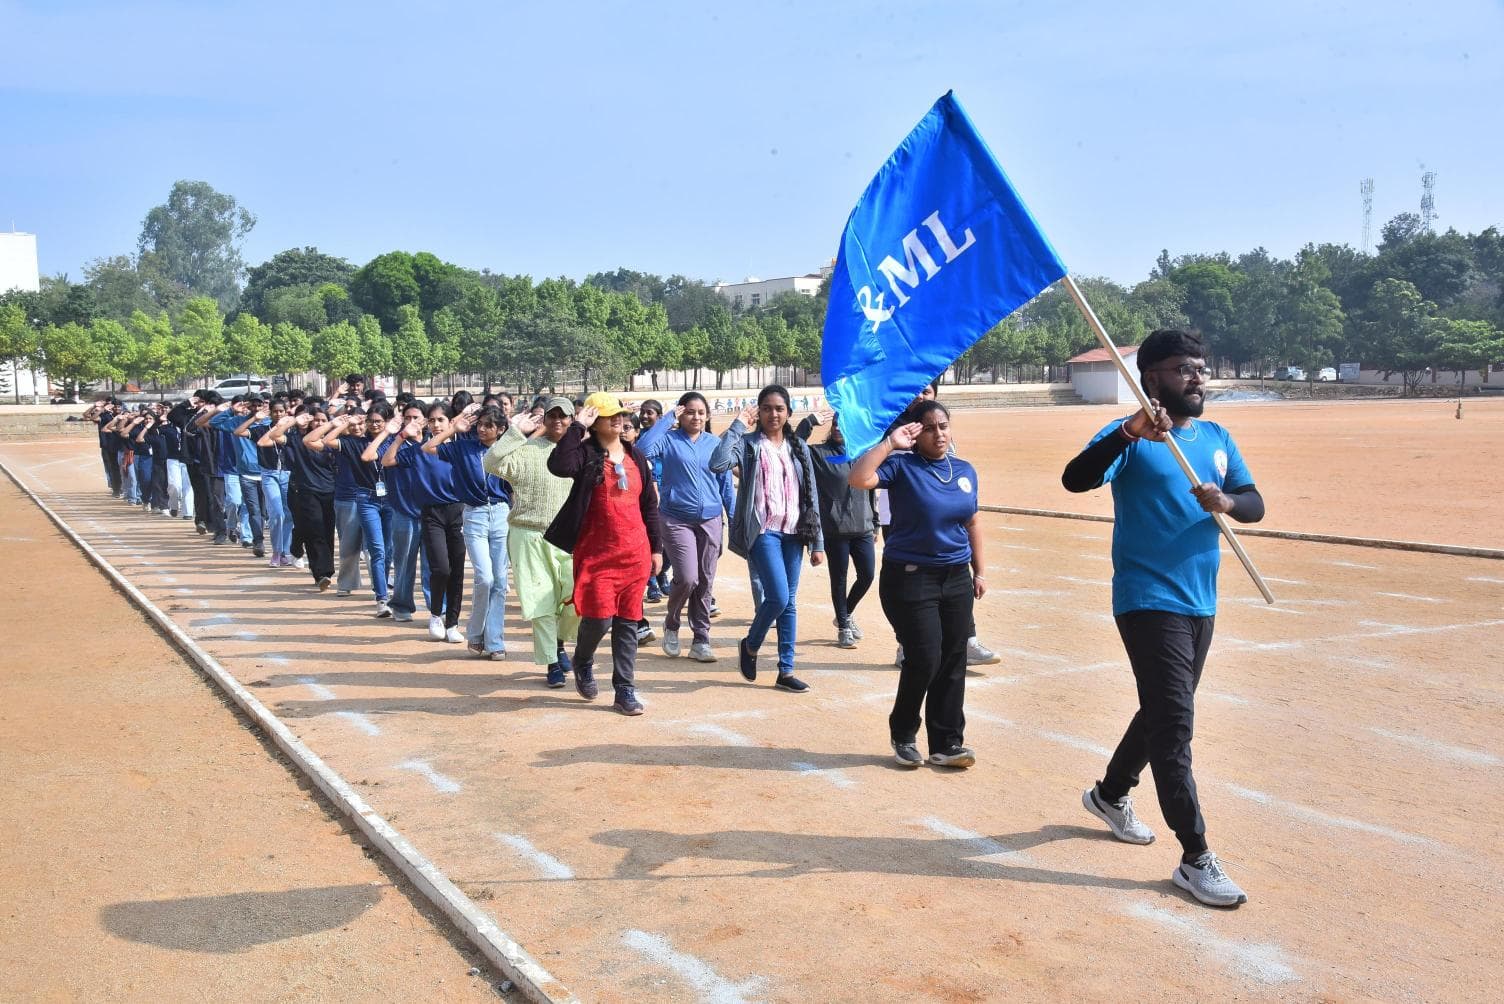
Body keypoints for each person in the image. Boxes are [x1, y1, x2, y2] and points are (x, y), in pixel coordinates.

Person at [1061, 328, 1265, 908]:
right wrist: (1129, 432)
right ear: (1151, 377)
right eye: (1182, 369)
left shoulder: (1217, 437)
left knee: (1161, 710)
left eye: (1199, 367)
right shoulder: (1132, 436)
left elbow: (1254, 502)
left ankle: (1109, 793)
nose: (1196, 377)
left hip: (1201, 599)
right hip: (1147, 598)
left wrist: (1226, 502)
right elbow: (1076, 478)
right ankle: (1196, 857)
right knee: (1175, 724)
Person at [850, 400, 984, 769]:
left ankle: (946, 743)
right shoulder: (901, 466)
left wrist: (980, 571)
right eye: (929, 428)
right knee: (925, 658)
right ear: (915, 432)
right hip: (910, 578)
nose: (938, 434)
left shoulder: (964, 470)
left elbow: (971, 522)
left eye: (943, 426)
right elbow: (859, 478)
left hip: (956, 576)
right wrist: (889, 444)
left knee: (954, 659)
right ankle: (904, 733)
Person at [544, 393, 663, 716]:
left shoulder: (635, 456)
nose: (617, 420)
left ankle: (624, 688)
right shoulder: (584, 454)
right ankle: (583, 659)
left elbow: (649, 506)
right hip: (597, 554)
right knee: (598, 619)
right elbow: (559, 465)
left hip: (634, 553)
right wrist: (576, 427)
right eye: (609, 415)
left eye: (620, 415)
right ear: (594, 422)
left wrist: (656, 548)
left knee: (628, 622)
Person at [710, 384, 824, 694]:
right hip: (763, 532)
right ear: (758, 412)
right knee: (779, 597)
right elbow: (717, 463)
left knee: (789, 604)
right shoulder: (748, 445)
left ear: (788, 413)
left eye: (779, 408)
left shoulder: (798, 447)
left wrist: (818, 543)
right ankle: (751, 644)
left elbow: (811, 495)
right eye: (767, 408)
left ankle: (785, 671)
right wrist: (736, 426)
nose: (773, 414)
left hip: (794, 533)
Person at [881, 380, 1002, 668]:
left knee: (952, 573)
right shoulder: (894, 431)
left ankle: (967, 640)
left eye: (927, 391)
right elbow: (868, 474)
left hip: (945, 518)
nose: (920, 396)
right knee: (914, 588)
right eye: (915, 391)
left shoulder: (942, 432)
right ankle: (906, 644)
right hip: (899, 518)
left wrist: (980, 570)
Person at [483, 397, 580, 686]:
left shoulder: (581, 452)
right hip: (528, 534)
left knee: (578, 599)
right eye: (552, 416)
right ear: (544, 419)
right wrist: (514, 431)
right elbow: (490, 462)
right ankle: (551, 661)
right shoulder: (526, 451)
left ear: (572, 420)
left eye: (564, 417)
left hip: (570, 537)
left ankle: (560, 642)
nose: (558, 421)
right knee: (542, 602)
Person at [636, 391, 735, 663]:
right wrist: (668, 418)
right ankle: (671, 623)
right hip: (676, 518)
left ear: (708, 415)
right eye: (690, 411)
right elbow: (643, 449)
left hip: (711, 520)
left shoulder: (715, 444)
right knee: (688, 577)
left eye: (701, 412)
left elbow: (726, 486)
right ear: (682, 413)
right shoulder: (668, 440)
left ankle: (701, 639)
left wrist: (734, 517)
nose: (696, 417)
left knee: (705, 580)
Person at [424, 401, 513, 659]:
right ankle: (475, 633)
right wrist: (453, 428)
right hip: (473, 515)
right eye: (481, 425)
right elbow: (429, 447)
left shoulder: (507, 450)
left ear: (501, 429)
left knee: (499, 580)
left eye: (489, 426)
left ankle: (494, 640)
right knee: (484, 577)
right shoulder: (463, 447)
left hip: (500, 514)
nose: (483, 430)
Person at [797, 405, 875, 649]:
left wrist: (876, 522)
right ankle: (843, 626)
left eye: (844, 424)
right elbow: (795, 444)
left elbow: (872, 489)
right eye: (836, 424)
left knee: (867, 575)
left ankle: (846, 613)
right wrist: (809, 422)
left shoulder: (863, 453)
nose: (839, 428)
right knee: (839, 578)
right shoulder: (820, 454)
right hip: (835, 529)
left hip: (863, 526)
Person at [308, 400, 397, 616]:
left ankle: (383, 586)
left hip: (392, 500)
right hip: (366, 498)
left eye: (379, 422)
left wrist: (391, 432)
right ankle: (381, 598)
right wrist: (341, 423)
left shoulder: (394, 441)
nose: (374, 425)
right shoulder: (354, 442)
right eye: (370, 421)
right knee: (376, 549)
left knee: (388, 550)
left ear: (387, 422)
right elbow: (327, 440)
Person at [388, 401, 465, 641]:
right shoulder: (419, 449)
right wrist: (401, 437)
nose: (436, 424)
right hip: (431, 514)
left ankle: (452, 623)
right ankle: (435, 615)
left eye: (441, 419)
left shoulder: (461, 449)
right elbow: (387, 461)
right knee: (440, 567)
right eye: (432, 420)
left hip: (458, 512)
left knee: (457, 570)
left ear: (451, 422)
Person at [364, 401, 428, 622]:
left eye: (416, 418)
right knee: (404, 563)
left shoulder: (433, 443)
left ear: (425, 421)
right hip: (402, 511)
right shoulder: (393, 443)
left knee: (433, 565)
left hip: (431, 513)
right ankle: (401, 605)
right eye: (407, 418)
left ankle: (438, 608)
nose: (411, 422)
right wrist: (390, 433)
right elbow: (370, 455)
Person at [262, 405, 337, 589]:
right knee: (315, 531)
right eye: (316, 420)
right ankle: (321, 573)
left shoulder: (332, 441)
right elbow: (274, 436)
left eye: (323, 420)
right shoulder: (297, 439)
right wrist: (293, 421)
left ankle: (324, 569)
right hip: (306, 491)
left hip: (330, 491)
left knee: (327, 532)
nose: (318, 423)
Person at [246, 398, 293, 566]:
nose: (278, 414)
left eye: (281, 411)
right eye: (275, 411)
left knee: (288, 514)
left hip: (288, 474)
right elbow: (239, 432)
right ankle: (276, 551)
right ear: (270, 412)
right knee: (276, 513)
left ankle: (285, 552)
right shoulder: (262, 429)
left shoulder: (292, 429)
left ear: (287, 411)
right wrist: (255, 419)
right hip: (269, 474)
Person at [637, 398, 671, 602]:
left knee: (668, 543)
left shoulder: (669, 438)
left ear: (660, 416)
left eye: (649, 412)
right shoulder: (638, 439)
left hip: (667, 495)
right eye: (643, 412)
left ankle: (661, 572)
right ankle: (651, 583)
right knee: (650, 539)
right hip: (646, 496)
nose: (644, 416)